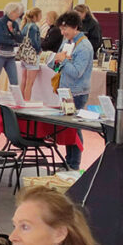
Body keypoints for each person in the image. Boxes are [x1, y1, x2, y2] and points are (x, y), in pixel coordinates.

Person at [47, 11, 94, 170]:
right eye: (61, 29)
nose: (63, 32)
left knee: (74, 130)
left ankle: (74, 164)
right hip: (65, 91)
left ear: (75, 27)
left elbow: (77, 73)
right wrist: (55, 61)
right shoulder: (67, 41)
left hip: (77, 92)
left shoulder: (84, 47)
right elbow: (58, 65)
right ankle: (69, 161)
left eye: (65, 29)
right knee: (68, 129)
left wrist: (63, 61)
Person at [0, 2, 25, 87]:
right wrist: (13, 42)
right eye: (17, 12)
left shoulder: (15, 24)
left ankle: (15, 99)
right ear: (11, 12)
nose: (18, 14)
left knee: (14, 82)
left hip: (11, 55)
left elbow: (20, 39)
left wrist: (12, 30)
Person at [19, 8, 43, 101]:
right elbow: (34, 41)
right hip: (31, 56)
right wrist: (39, 50)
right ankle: (27, 101)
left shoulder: (25, 26)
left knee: (24, 80)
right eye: (40, 15)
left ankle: (21, 100)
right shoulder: (34, 27)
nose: (41, 17)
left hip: (25, 55)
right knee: (30, 83)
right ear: (35, 16)